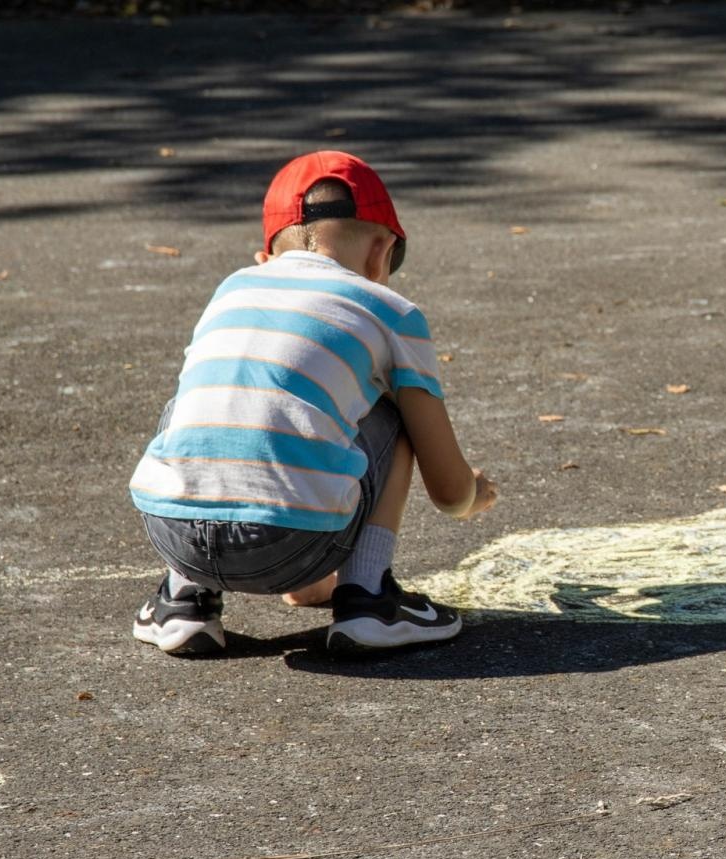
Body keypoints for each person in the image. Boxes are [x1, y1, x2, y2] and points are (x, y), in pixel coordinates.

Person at [128, 150, 498, 655]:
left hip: (174, 534)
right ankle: (367, 599)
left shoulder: (231, 291)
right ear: (381, 252)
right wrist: (474, 493)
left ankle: (184, 604)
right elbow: (450, 493)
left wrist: (307, 582)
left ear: (266, 259)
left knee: (205, 404)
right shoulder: (390, 310)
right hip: (296, 538)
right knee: (393, 412)